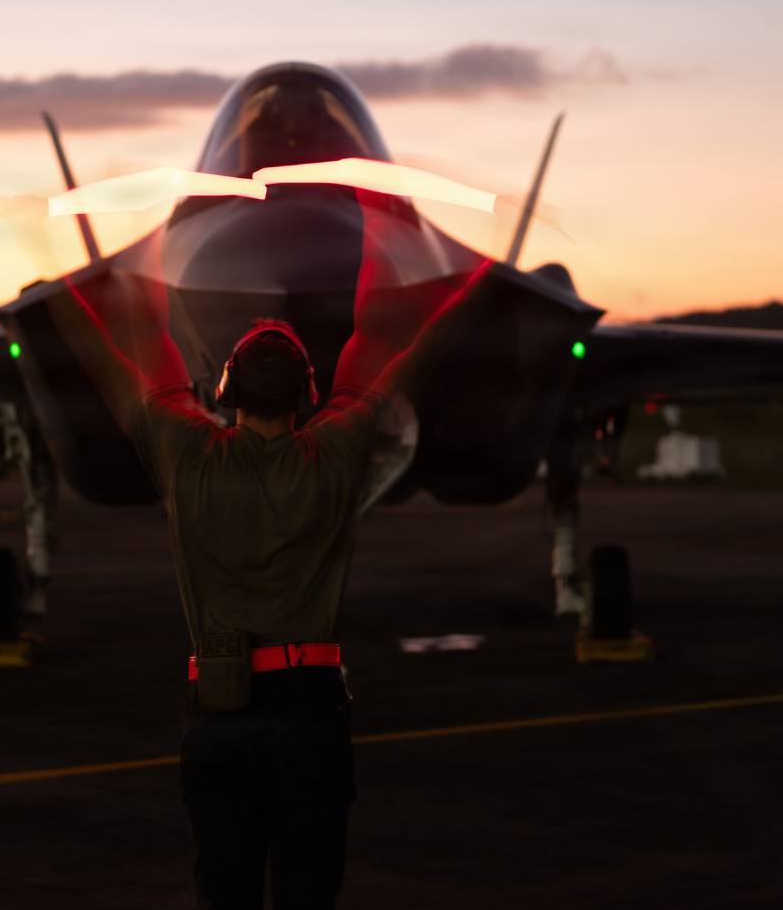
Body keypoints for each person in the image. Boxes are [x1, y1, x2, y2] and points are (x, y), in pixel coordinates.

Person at [49, 204, 490, 909]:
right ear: (308, 393)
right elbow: (392, 343)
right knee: (308, 894)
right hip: (311, 714)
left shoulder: (185, 450)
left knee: (224, 891)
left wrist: (64, 291)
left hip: (219, 713)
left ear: (225, 390)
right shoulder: (336, 448)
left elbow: (132, 349)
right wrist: (469, 279)